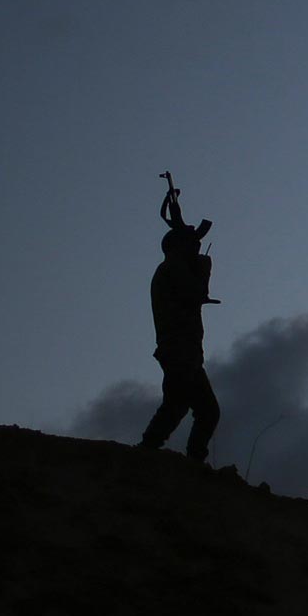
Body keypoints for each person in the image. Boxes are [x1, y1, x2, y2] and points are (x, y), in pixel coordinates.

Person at [136, 182, 219, 462]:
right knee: (190, 407)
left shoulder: (172, 268)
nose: (195, 248)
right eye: (191, 244)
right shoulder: (172, 268)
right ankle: (152, 452)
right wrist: (204, 270)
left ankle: (163, 454)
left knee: (190, 407)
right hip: (179, 349)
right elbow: (195, 294)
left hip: (185, 349)